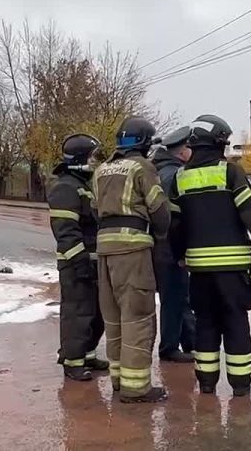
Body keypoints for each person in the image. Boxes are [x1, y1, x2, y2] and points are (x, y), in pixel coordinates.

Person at [169, 115, 251, 397]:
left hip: (198, 272)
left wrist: (179, 256)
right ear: (220, 143)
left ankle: (207, 385)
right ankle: (240, 388)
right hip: (233, 271)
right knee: (235, 325)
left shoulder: (179, 178)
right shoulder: (230, 173)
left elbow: (174, 226)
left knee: (206, 324)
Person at [93, 116, 171, 403]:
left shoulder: (100, 170)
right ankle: (136, 388)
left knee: (113, 317)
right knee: (137, 317)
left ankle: (118, 381)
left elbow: (93, 209)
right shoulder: (143, 168)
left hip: (104, 250)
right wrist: (161, 235)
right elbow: (159, 210)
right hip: (133, 250)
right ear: (146, 143)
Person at [47, 134, 109, 381]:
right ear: (81, 159)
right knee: (77, 313)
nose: (96, 162)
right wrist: (80, 262)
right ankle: (73, 362)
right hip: (76, 264)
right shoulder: (65, 187)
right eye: (93, 157)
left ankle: (88, 354)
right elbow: (66, 231)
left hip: (91, 262)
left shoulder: (82, 185)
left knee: (96, 314)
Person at [151, 126, 196, 364]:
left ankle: (190, 340)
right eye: (190, 147)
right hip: (169, 245)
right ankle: (169, 347)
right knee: (174, 296)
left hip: (163, 244)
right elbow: (174, 216)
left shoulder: (162, 170)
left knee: (180, 295)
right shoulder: (174, 176)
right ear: (182, 151)